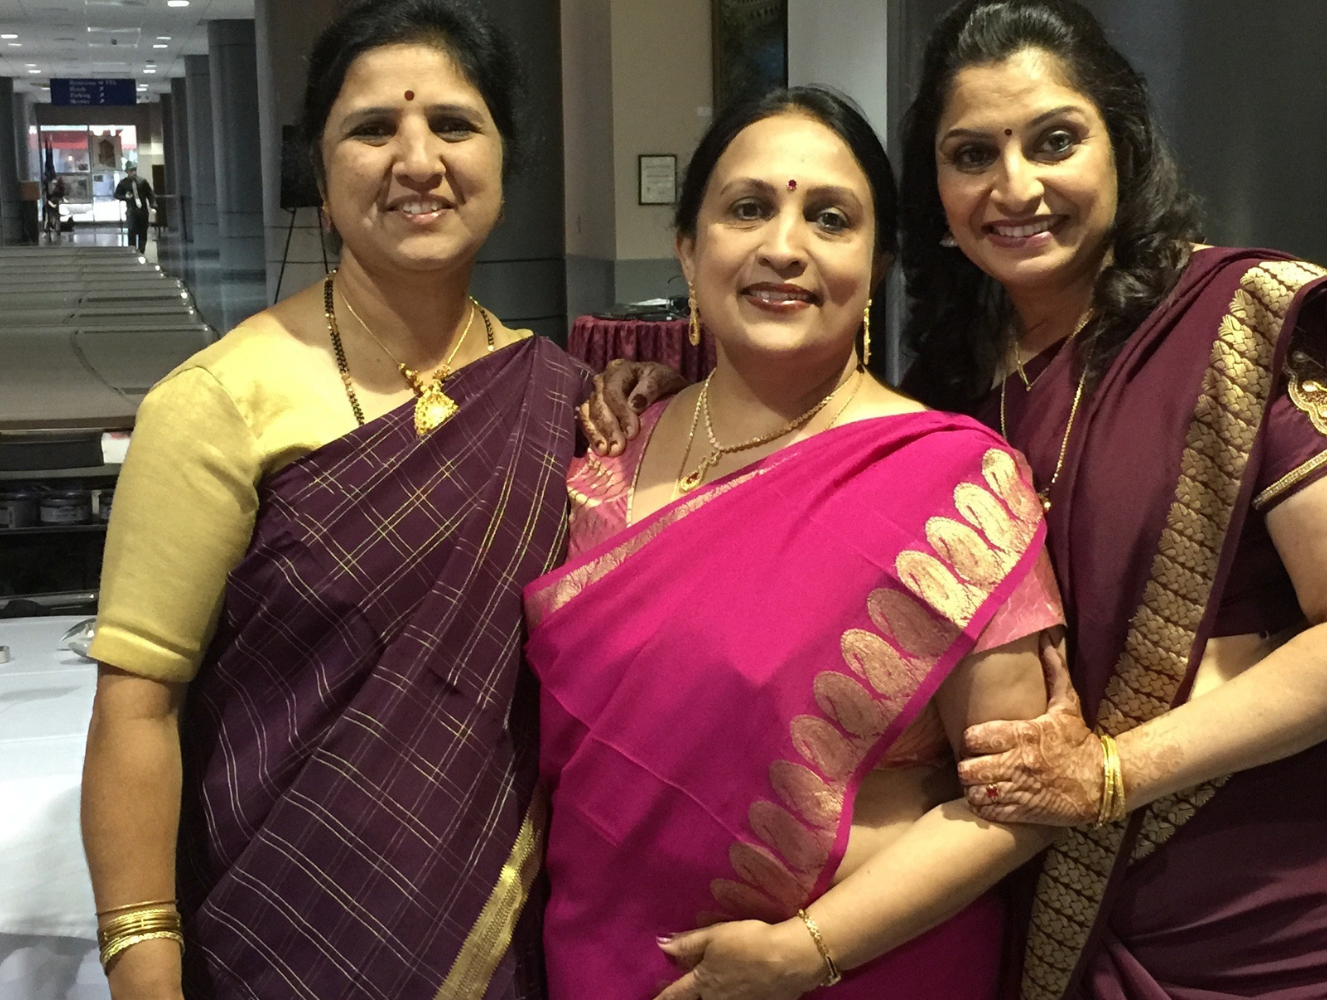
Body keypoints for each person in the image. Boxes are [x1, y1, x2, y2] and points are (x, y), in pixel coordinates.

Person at [584, 2, 1327, 996]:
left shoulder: (1239, 329)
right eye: (972, 154)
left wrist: (1108, 773)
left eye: (1055, 140)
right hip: (1055, 910)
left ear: (1123, 146)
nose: (1015, 187)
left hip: (1272, 909)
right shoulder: (961, 386)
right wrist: (681, 391)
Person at [79, 1, 589, 997]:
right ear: (319, 169)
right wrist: (145, 968)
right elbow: (136, 710)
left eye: (452, 124)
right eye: (370, 129)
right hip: (281, 932)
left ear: (502, 155)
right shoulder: (218, 402)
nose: (416, 159)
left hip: (506, 942)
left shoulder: (561, 397)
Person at [524, 86, 1069, 1000]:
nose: (784, 247)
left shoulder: (952, 482)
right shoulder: (603, 456)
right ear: (689, 249)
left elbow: (1019, 802)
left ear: (878, 261)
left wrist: (802, 951)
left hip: (863, 970)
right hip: (601, 963)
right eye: (747, 209)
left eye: (829, 217)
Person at [114, 163, 155, 254]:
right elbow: (116, 195)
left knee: (143, 230)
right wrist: (125, 196)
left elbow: (150, 194)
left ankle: (141, 250)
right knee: (132, 229)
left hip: (142, 210)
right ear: (127, 172)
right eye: (130, 170)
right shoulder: (123, 183)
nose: (132, 172)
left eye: (134, 170)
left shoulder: (142, 181)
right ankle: (132, 250)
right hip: (131, 209)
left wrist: (153, 205)